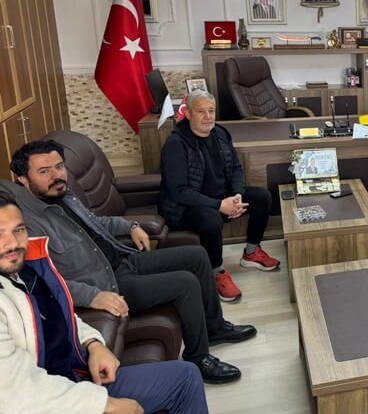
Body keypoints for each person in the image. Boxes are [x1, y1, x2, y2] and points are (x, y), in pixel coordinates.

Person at [7, 141, 257, 385]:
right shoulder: (26, 225)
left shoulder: (63, 195)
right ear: (23, 179)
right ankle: (199, 358)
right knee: (186, 283)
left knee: (197, 255)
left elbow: (96, 223)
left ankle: (215, 328)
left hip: (123, 259)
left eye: (59, 166)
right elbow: (42, 281)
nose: (57, 175)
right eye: (44, 171)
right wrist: (91, 296)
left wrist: (131, 226)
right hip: (109, 283)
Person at [0, 192, 209, 414]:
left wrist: (93, 344)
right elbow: (15, 393)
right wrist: (105, 405)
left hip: (76, 377)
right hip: (50, 400)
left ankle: (213, 333)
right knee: (184, 283)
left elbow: (62, 314)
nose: (13, 243)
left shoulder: (29, 271)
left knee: (186, 378)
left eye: (18, 230)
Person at [159, 89, 280, 302]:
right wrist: (219, 205)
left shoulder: (221, 134)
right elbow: (179, 191)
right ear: (188, 113)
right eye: (201, 111)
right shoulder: (176, 144)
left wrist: (237, 195)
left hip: (221, 197)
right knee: (211, 219)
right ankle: (216, 272)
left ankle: (251, 252)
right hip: (185, 206)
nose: (208, 117)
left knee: (262, 197)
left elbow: (236, 168)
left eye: (211, 111)